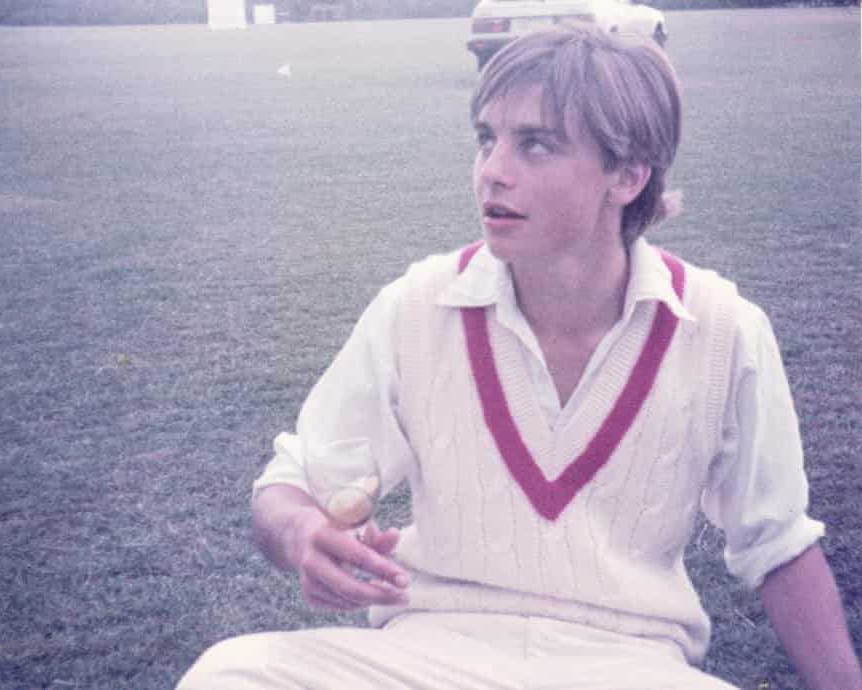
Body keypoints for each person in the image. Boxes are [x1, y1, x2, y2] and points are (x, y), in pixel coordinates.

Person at [177, 24, 862, 690]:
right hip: (428, 653)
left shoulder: (723, 328)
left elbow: (778, 547)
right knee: (230, 674)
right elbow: (289, 484)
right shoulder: (417, 306)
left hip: (629, 663)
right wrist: (303, 533)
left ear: (627, 174)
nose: (492, 172)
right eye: (487, 139)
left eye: (535, 144)